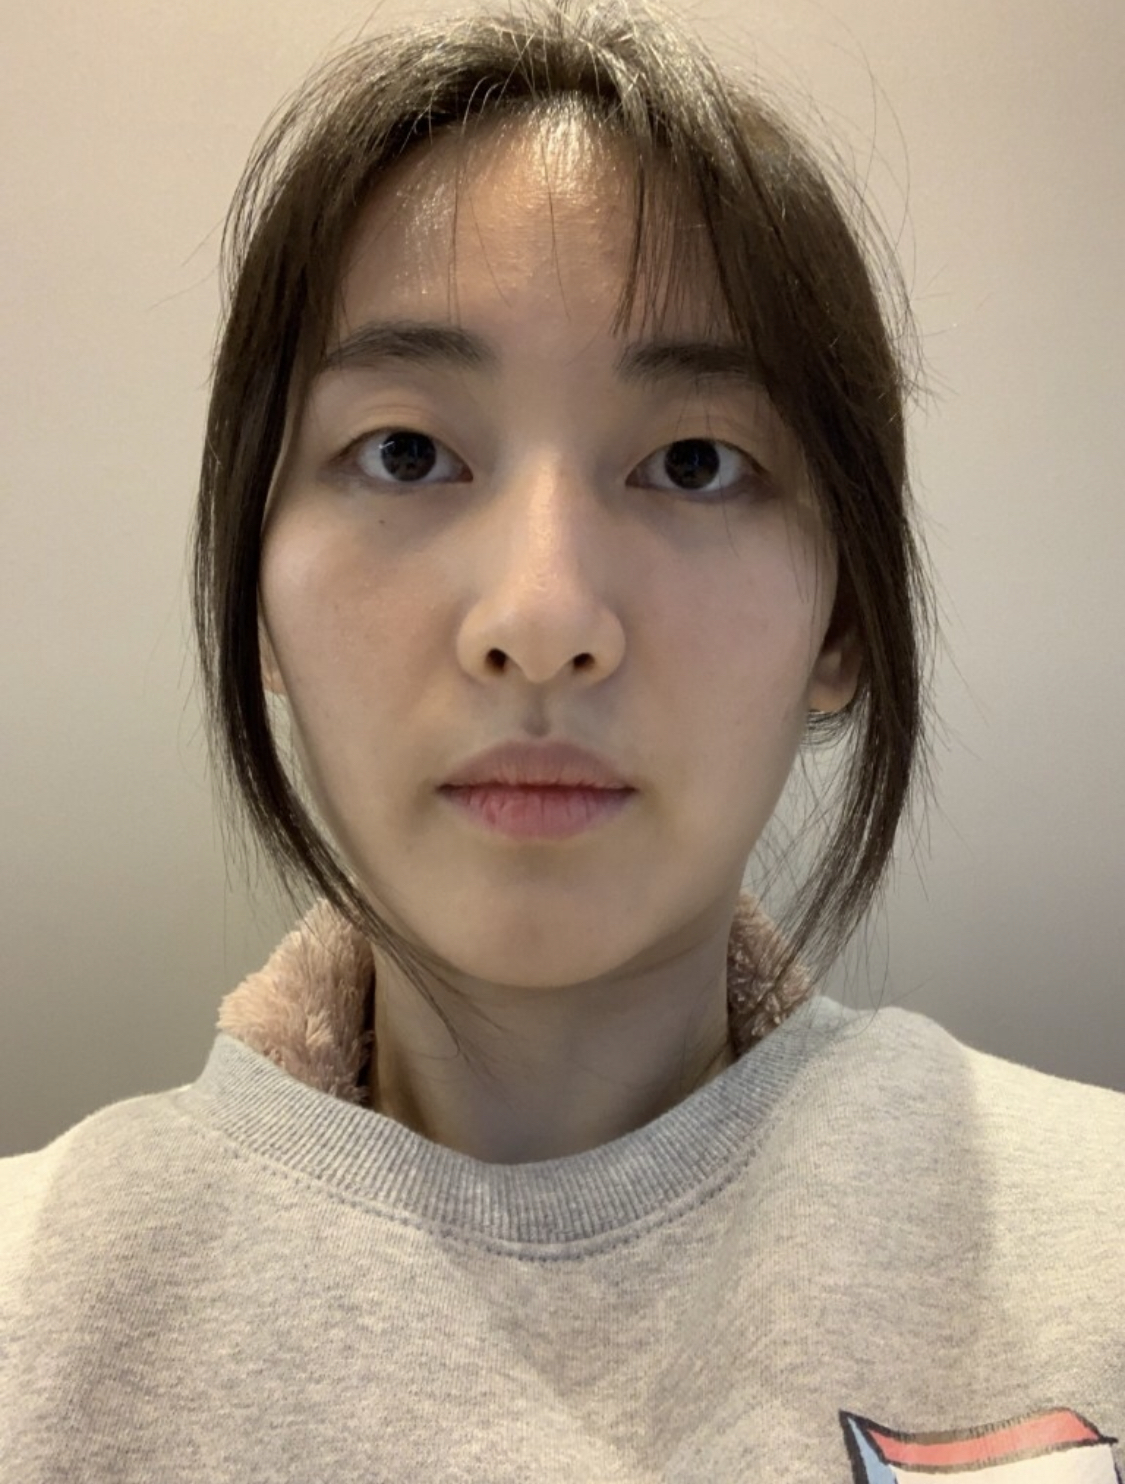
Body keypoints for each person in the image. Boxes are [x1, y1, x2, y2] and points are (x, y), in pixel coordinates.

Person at [2, 3, 1122, 1479]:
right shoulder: (36, 1300)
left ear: (842, 623)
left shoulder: (1096, 1246)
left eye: (694, 462)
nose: (540, 619)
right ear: (256, 602)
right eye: (405, 453)